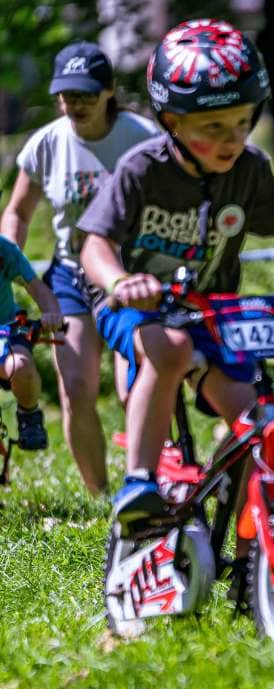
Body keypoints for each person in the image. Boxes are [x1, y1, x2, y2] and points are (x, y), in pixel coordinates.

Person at [77, 19, 274, 534]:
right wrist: (121, 283)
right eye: (213, 127)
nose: (231, 139)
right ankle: (137, 484)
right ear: (171, 121)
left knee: (258, 418)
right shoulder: (143, 170)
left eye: (242, 122)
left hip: (213, 314)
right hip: (136, 309)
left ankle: (244, 549)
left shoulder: (249, 170)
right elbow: (94, 244)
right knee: (169, 349)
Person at [0, 42, 158, 494]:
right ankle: (101, 496)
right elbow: (18, 211)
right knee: (75, 386)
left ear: (109, 92)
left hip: (130, 273)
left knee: (135, 386)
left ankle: (144, 484)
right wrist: (10, 257)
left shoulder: (142, 137)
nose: (75, 104)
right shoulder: (46, 144)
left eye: (86, 94)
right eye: (67, 95)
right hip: (70, 275)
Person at [0, 236, 63, 449]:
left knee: (20, 365)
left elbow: (37, 288)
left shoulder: (4, 250)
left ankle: (29, 415)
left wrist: (51, 312)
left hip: (5, 328)